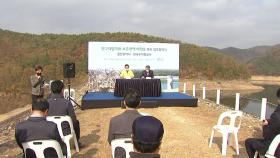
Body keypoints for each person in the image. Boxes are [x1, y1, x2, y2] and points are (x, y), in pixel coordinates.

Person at [245, 88, 280, 158]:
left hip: (273, 146)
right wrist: (270, 121)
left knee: (248, 142)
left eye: (279, 98)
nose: (277, 100)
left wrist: (264, 126)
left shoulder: (276, 115)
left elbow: (266, 135)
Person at [47, 80, 81, 146]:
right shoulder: (67, 103)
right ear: (62, 90)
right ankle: (77, 143)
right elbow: (73, 120)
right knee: (76, 122)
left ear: (51, 90)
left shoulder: (46, 103)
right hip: (65, 131)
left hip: (50, 131)